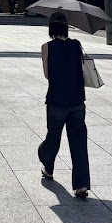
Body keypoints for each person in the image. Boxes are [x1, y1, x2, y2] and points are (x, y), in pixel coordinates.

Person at [38, 13, 90, 198]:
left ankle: (48, 168)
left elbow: (47, 75)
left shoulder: (46, 47)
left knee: (53, 138)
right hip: (77, 100)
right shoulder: (77, 45)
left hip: (56, 101)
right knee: (78, 141)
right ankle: (81, 184)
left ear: (51, 28)